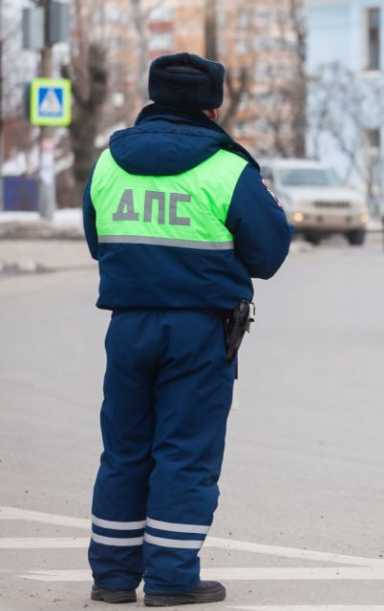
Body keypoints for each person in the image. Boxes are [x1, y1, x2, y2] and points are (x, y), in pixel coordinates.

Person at [82, 53, 293, 606]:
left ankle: (112, 577)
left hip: (127, 326)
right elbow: (268, 254)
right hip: (200, 331)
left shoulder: (110, 163)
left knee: (124, 449)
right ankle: (172, 579)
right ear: (212, 104)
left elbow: (96, 240)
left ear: (152, 97)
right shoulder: (228, 167)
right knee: (185, 452)